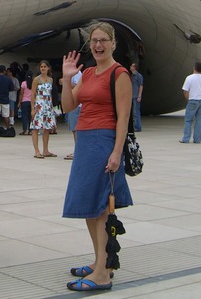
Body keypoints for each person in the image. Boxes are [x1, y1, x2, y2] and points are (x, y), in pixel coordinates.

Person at [61, 22, 132, 291]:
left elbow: (124, 117)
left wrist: (116, 153)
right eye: (94, 41)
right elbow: (68, 106)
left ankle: (102, 273)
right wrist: (68, 79)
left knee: (101, 209)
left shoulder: (119, 73)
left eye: (104, 40)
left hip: (104, 142)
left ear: (113, 43)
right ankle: (100, 261)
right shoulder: (88, 73)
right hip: (85, 142)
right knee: (90, 208)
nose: (98, 45)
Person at [30, 60, 57, 158]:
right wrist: (32, 108)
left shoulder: (50, 79)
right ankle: (37, 151)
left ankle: (45, 150)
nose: (43, 68)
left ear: (48, 68)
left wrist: (53, 108)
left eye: (45, 66)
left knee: (47, 128)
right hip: (39, 104)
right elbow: (32, 94)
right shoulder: (36, 79)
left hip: (48, 105)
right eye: (41, 67)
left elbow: (50, 94)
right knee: (36, 128)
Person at [180, 62, 201, 144]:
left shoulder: (189, 78)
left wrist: (188, 99)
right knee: (199, 120)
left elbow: (185, 90)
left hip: (193, 100)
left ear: (194, 68)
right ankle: (197, 139)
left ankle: (186, 138)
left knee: (188, 120)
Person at [18, 69, 33, 135]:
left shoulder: (23, 83)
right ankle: (30, 130)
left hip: (24, 101)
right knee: (30, 116)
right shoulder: (33, 83)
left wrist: (19, 102)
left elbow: (21, 93)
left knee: (24, 116)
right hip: (31, 102)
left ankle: (25, 130)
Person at [130, 63, 144, 132]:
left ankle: (137, 127)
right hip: (132, 96)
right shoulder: (132, 76)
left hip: (136, 96)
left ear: (134, 67)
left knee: (136, 112)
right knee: (133, 113)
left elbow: (141, 86)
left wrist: (139, 95)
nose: (130, 67)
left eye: (131, 66)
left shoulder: (138, 76)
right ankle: (135, 126)